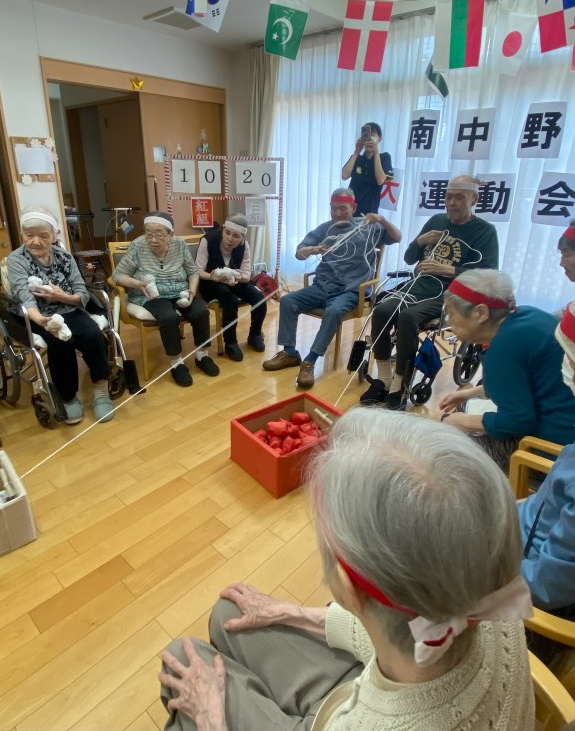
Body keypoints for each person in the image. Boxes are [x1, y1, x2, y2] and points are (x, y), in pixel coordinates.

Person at [158, 409, 535, 730]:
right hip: (375, 687)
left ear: (348, 591)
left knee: (181, 659)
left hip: (363, 714)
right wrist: (294, 613)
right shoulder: (483, 584)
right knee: (230, 613)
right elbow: (405, 630)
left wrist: (210, 718)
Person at [362, 174, 499, 410]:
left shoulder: (485, 231)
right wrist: (420, 242)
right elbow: (409, 258)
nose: (451, 203)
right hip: (418, 285)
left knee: (408, 318)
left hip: (450, 294)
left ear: (474, 199)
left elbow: (489, 274)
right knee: (382, 310)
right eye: (448, 197)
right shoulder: (436, 220)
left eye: (459, 197)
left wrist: (448, 269)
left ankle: (400, 384)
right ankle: (384, 379)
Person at [262, 188, 401, 388]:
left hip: (351, 290)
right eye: (333, 209)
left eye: (342, 208)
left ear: (353, 207)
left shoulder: (368, 227)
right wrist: (311, 249)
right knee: (288, 300)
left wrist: (382, 219)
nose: (337, 213)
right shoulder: (325, 229)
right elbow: (299, 253)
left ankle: (310, 360)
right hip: (322, 286)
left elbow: (397, 237)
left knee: (334, 311)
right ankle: (290, 353)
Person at [438, 269, 575, 472]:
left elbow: (518, 420)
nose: (449, 322)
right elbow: (526, 380)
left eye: (451, 313)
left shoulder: (503, 348)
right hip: (567, 426)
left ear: (481, 313)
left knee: (451, 446)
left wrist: (463, 422)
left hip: (555, 449)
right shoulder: (528, 315)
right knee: (464, 405)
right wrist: (471, 392)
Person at [6, 206, 114, 424]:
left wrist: (62, 296)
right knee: (60, 341)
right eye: (29, 235)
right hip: (34, 315)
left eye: (43, 236)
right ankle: (68, 397)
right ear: (22, 234)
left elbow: (81, 294)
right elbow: (26, 299)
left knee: (93, 334)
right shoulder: (17, 260)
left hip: (68, 308)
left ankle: (101, 391)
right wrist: (43, 321)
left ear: (54, 236)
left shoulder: (64, 257)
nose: (36, 241)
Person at [517, 304, 575, 635]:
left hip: (531, 598)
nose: (563, 366)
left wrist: (477, 564)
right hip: (526, 534)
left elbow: (546, 587)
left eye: (569, 357)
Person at [111, 211, 219, 387]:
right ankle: (176, 363)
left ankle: (202, 356)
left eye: (159, 234)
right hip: (152, 295)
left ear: (171, 234)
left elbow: (192, 271)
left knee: (200, 312)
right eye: (148, 233)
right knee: (168, 317)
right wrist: (138, 284)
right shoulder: (137, 246)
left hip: (180, 291)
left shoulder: (179, 244)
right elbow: (117, 275)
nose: (153, 239)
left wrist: (192, 290)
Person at [196, 215, 266, 361]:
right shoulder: (208, 240)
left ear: (242, 237)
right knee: (230, 299)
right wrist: (213, 276)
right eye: (227, 233)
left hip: (234, 280)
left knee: (259, 297)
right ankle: (231, 342)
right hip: (210, 282)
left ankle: (255, 335)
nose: (230, 239)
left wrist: (239, 277)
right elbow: (198, 271)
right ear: (222, 229)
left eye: (236, 236)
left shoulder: (244, 246)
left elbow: (246, 274)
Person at [341, 122, 393, 217]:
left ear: (379, 139)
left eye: (372, 135)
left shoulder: (385, 157)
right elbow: (344, 176)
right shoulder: (357, 158)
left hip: (370, 214)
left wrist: (376, 152)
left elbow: (381, 180)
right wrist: (357, 151)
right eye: (366, 135)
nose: (369, 138)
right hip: (350, 212)